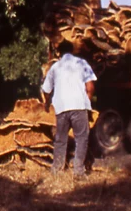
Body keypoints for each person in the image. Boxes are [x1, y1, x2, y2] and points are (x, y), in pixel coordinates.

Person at [40, 41, 97, 175]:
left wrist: (47, 103)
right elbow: (90, 87)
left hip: (61, 107)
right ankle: (78, 171)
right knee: (81, 138)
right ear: (72, 50)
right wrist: (87, 103)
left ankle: (57, 169)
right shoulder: (82, 63)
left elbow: (46, 89)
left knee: (60, 139)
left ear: (59, 53)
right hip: (79, 106)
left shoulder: (55, 67)